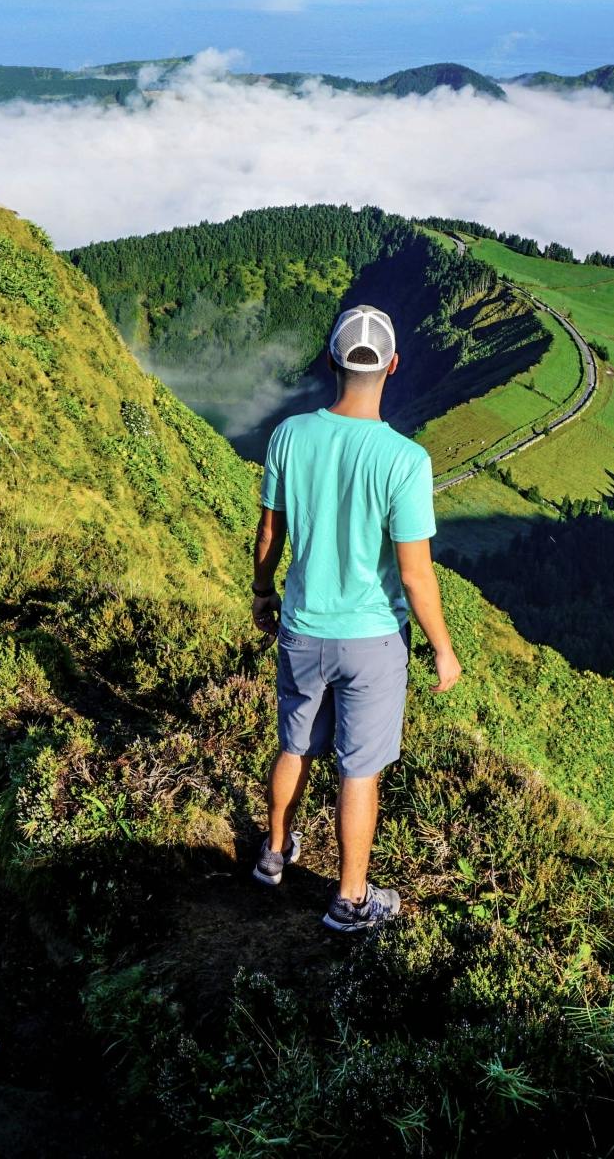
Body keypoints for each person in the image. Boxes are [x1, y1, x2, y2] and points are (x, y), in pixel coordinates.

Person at [250, 304, 462, 932]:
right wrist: (443, 649)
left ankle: (274, 855)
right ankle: (349, 901)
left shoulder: (289, 436)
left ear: (330, 359)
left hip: (301, 628)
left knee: (294, 745)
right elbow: (417, 573)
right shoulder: (405, 460)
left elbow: (270, 531)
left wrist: (263, 592)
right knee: (358, 769)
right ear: (393, 366)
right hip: (372, 640)